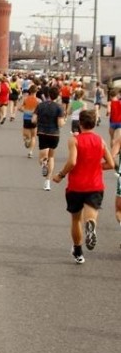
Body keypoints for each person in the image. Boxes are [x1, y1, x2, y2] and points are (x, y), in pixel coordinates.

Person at [53, 110, 114, 264]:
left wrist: (60, 175)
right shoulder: (100, 140)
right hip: (95, 185)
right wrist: (96, 166)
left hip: (76, 186)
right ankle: (91, 225)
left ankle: (78, 252)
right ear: (94, 124)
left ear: (80, 123)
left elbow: (72, 162)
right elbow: (111, 164)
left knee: (75, 220)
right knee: (91, 215)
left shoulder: (75, 140)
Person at [32, 86, 65, 191]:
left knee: (42, 157)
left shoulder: (40, 105)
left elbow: (33, 120)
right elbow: (60, 124)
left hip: (42, 132)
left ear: (48, 94)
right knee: (51, 156)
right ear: (57, 95)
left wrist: (41, 122)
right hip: (54, 134)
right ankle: (47, 182)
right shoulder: (59, 107)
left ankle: (43, 163)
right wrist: (64, 121)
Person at [18, 84, 40, 158]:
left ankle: (27, 140)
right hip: (35, 120)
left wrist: (25, 111)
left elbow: (20, 108)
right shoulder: (39, 100)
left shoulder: (25, 99)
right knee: (34, 136)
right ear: (36, 91)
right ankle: (30, 152)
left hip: (26, 119)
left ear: (30, 91)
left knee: (25, 135)